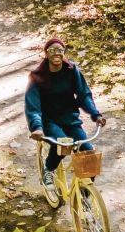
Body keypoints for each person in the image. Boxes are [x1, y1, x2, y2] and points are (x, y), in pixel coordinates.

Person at [25, 38, 107, 183]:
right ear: (46, 54)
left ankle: (85, 197)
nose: (56, 54)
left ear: (64, 53)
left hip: (71, 120)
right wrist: (37, 127)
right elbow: (33, 107)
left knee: (89, 156)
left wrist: (96, 114)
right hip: (49, 121)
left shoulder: (72, 70)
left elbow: (84, 95)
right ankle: (48, 171)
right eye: (52, 50)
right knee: (61, 145)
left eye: (60, 50)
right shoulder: (37, 77)